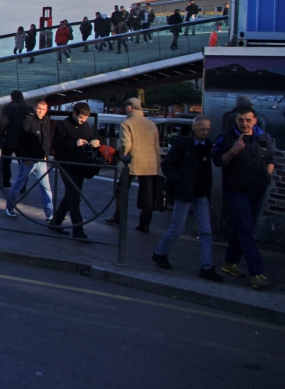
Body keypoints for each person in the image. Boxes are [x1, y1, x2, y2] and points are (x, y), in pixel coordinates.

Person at [151, 116, 222, 281]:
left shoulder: (208, 145)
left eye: (208, 129)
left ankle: (207, 267)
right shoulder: (182, 143)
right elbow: (167, 165)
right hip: (185, 192)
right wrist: (179, 181)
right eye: (202, 129)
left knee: (206, 230)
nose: (205, 132)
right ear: (194, 128)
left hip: (201, 193)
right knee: (177, 227)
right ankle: (160, 253)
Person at [212, 107, 276, 290]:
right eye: (240, 120)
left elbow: (270, 159)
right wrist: (233, 150)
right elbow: (218, 160)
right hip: (236, 190)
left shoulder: (263, 137)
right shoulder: (226, 137)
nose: (244, 123)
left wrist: (266, 176)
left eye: (248, 120)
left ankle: (229, 262)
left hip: (257, 190)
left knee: (242, 227)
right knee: (246, 230)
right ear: (236, 120)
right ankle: (257, 273)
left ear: (255, 120)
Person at [106, 98, 161, 232]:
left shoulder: (127, 123)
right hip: (150, 162)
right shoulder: (151, 124)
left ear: (130, 108)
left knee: (121, 189)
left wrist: (121, 159)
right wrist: (158, 165)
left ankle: (118, 216)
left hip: (133, 161)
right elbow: (156, 147)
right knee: (148, 193)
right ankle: (145, 224)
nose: (125, 110)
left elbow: (126, 145)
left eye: (126, 108)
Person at [50, 102, 100, 240]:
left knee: (71, 195)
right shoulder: (63, 125)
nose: (83, 121)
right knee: (74, 196)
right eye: (81, 118)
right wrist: (74, 143)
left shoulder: (86, 126)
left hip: (79, 165)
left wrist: (95, 144)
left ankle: (56, 222)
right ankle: (78, 230)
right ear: (74, 113)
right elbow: (56, 145)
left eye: (85, 118)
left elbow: (90, 141)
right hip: (66, 164)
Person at [5, 99, 55, 220]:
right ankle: (9, 207)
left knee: (46, 187)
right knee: (19, 184)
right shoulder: (28, 120)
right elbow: (22, 140)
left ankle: (50, 214)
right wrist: (25, 157)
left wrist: (46, 154)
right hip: (29, 159)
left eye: (43, 109)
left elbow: (46, 138)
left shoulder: (46, 120)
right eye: (39, 108)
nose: (41, 111)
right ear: (34, 107)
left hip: (41, 160)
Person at [0, 90, 32, 189]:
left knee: (6, 161)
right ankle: (22, 184)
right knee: (23, 163)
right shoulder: (29, 108)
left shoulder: (8, 108)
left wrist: (3, 133)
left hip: (9, 138)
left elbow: (2, 123)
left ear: (11, 98)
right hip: (24, 140)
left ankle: (5, 182)